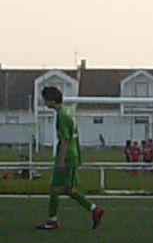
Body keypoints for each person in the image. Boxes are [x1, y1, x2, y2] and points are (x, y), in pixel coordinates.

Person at [36, 86, 104, 230]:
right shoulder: (68, 112)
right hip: (73, 154)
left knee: (54, 188)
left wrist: (61, 159)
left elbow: (65, 139)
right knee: (68, 189)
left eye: (45, 100)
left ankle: (52, 220)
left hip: (67, 156)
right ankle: (94, 209)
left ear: (51, 100)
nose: (44, 102)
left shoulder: (62, 116)